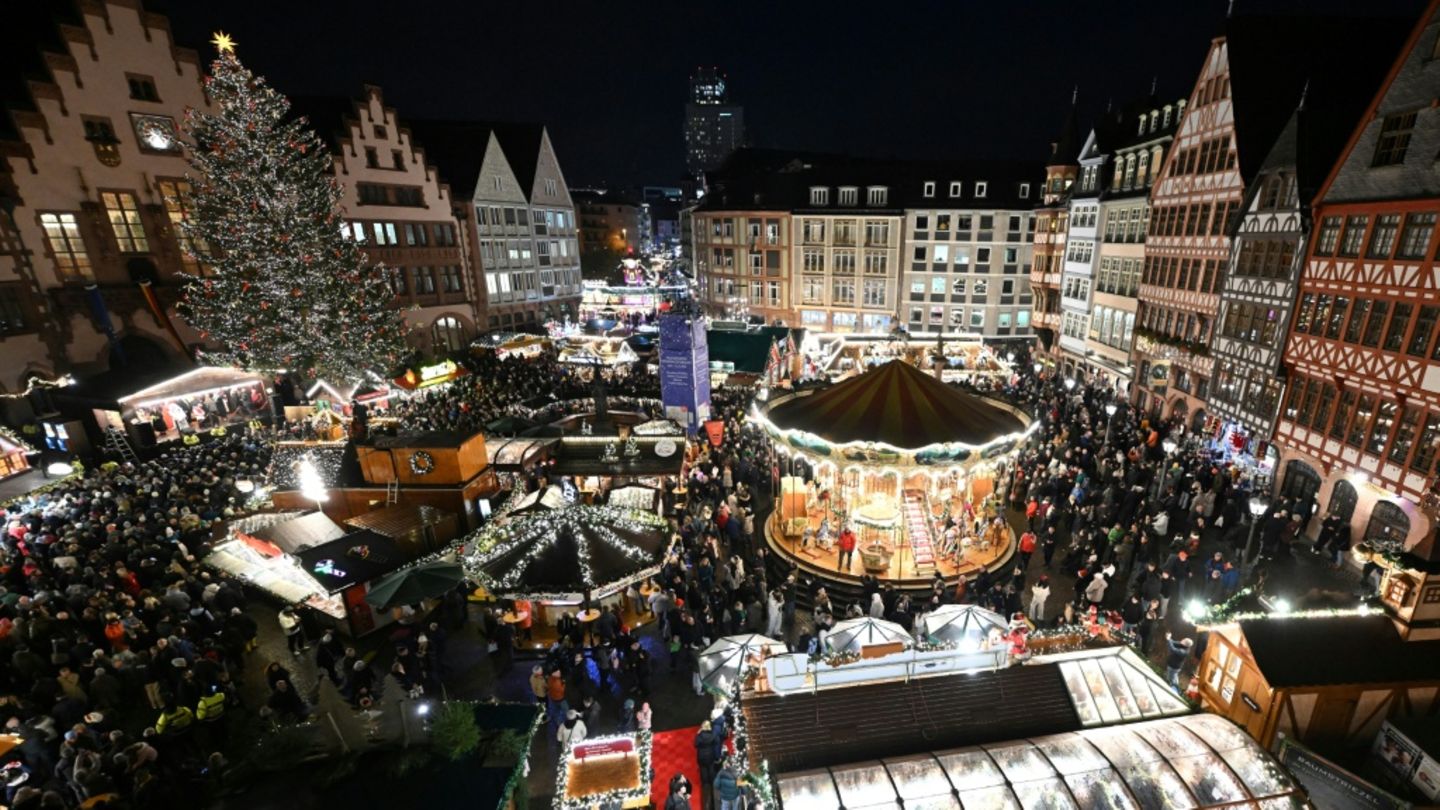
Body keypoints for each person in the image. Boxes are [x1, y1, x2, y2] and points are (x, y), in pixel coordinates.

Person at [694, 721, 719, 804]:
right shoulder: (712, 735)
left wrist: (697, 734)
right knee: (711, 768)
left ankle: (705, 783)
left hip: (701, 756)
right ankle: (712, 781)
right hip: (710, 755)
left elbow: (695, 744)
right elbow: (716, 742)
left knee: (703, 769)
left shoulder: (700, 736)